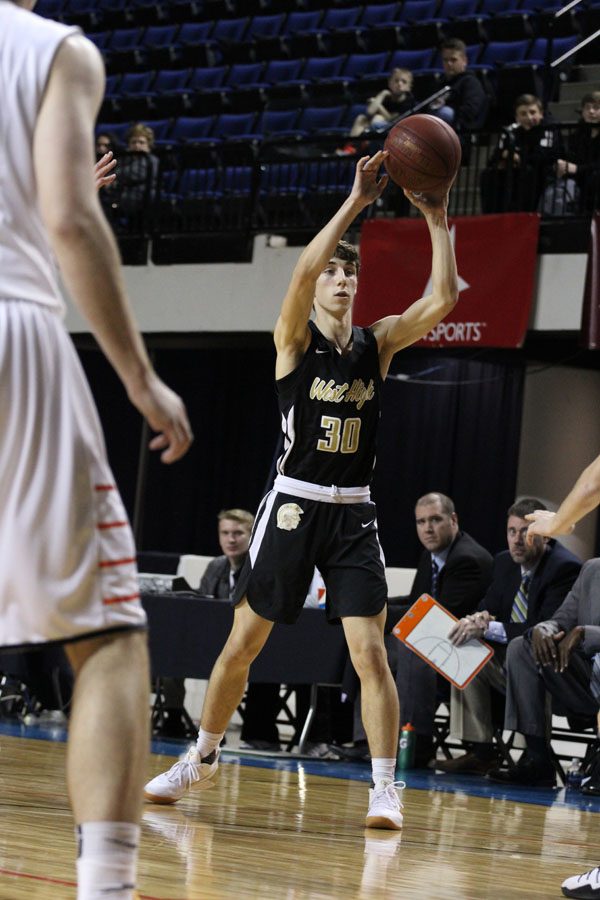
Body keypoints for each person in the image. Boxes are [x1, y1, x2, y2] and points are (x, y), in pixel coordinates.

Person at [144, 149, 459, 831]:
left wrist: (437, 218)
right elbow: (300, 269)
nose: (343, 279)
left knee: (371, 652)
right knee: (242, 644)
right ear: (320, 287)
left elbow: (444, 300)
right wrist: (355, 203)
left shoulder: (376, 345)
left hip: (355, 516)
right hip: (292, 505)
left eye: (353, 271)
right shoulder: (293, 340)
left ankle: (384, 787)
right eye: (336, 272)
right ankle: (200, 754)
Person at [0, 5, 193, 900]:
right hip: (15, 342)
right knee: (109, 635)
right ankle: (105, 890)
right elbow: (72, 222)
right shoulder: (51, 50)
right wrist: (143, 380)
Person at [439, 498, 581, 779]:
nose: (517, 540)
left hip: (550, 667)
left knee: (519, 648)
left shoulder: (564, 568)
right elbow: (489, 606)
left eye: (526, 532)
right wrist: (478, 619)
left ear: (545, 534)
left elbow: (544, 629)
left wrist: (490, 628)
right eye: (512, 531)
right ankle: (481, 751)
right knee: (464, 644)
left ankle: (535, 757)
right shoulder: (504, 562)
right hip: (510, 662)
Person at [390, 492, 493, 767]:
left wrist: (380, 614)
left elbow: (434, 616)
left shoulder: (467, 559)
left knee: (407, 647)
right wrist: (375, 608)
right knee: (369, 643)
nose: (427, 528)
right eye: (421, 521)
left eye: (435, 519)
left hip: (461, 650)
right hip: (439, 645)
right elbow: (416, 603)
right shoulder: (430, 556)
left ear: (454, 520)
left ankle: (415, 746)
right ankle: (365, 740)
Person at [486, 560, 600, 795]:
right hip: (587, 676)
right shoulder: (592, 569)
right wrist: (545, 628)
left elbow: (579, 631)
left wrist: (584, 633)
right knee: (522, 648)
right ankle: (537, 760)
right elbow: (563, 617)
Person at [480, 94, 562, 214]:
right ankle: (491, 216)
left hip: (542, 173)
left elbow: (543, 156)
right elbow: (494, 157)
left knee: (528, 172)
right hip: (514, 172)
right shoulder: (510, 131)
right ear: (517, 117)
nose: (529, 117)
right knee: (488, 174)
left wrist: (518, 157)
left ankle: (524, 216)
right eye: (523, 114)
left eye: (533, 112)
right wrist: (507, 157)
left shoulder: (548, 129)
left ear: (541, 114)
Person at [429, 38, 488, 156]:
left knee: (446, 112)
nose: (449, 64)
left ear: (464, 60)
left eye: (453, 60)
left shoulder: (471, 82)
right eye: (445, 60)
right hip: (437, 133)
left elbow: (470, 111)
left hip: (459, 134)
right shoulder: (440, 83)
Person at [551, 90, 600, 215]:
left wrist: (577, 169)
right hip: (582, 177)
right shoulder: (576, 135)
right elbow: (573, 159)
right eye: (587, 108)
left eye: (596, 108)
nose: (591, 112)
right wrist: (563, 166)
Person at [350, 68, 415, 137]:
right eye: (396, 81)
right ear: (389, 83)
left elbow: (392, 119)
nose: (399, 84)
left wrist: (379, 106)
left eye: (404, 82)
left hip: (398, 130)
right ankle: (349, 146)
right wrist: (382, 94)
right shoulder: (385, 95)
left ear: (409, 87)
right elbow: (370, 112)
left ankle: (365, 142)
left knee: (377, 118)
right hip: (379, 125)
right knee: (361, 118)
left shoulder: (409, 100)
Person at [117, 122, 159, 218]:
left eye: (141, 142)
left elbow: (135, 174)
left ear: (148, 145)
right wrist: (118, 174)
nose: (137, 146)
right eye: (133, 142)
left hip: (143, 195)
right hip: (125, 193)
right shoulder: (125, 159)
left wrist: (118, 175)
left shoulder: (152, 160)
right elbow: (116, 171)